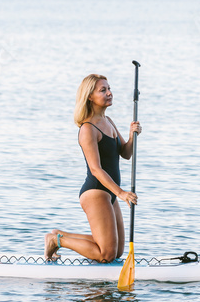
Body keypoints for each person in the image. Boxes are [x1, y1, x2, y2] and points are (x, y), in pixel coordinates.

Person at [45, 73, 141, 262]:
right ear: (90, 96)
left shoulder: (108, 121)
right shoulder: (87, 129)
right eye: (103, 90)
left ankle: (59, 234)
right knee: (106, 254)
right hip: (96, 191)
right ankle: (56, 240)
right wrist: (121, 193)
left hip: (110, 192)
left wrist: (132, 136)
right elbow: (96, 169)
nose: (109, 93)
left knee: (116, 251)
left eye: (109, 89)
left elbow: (126, 153)